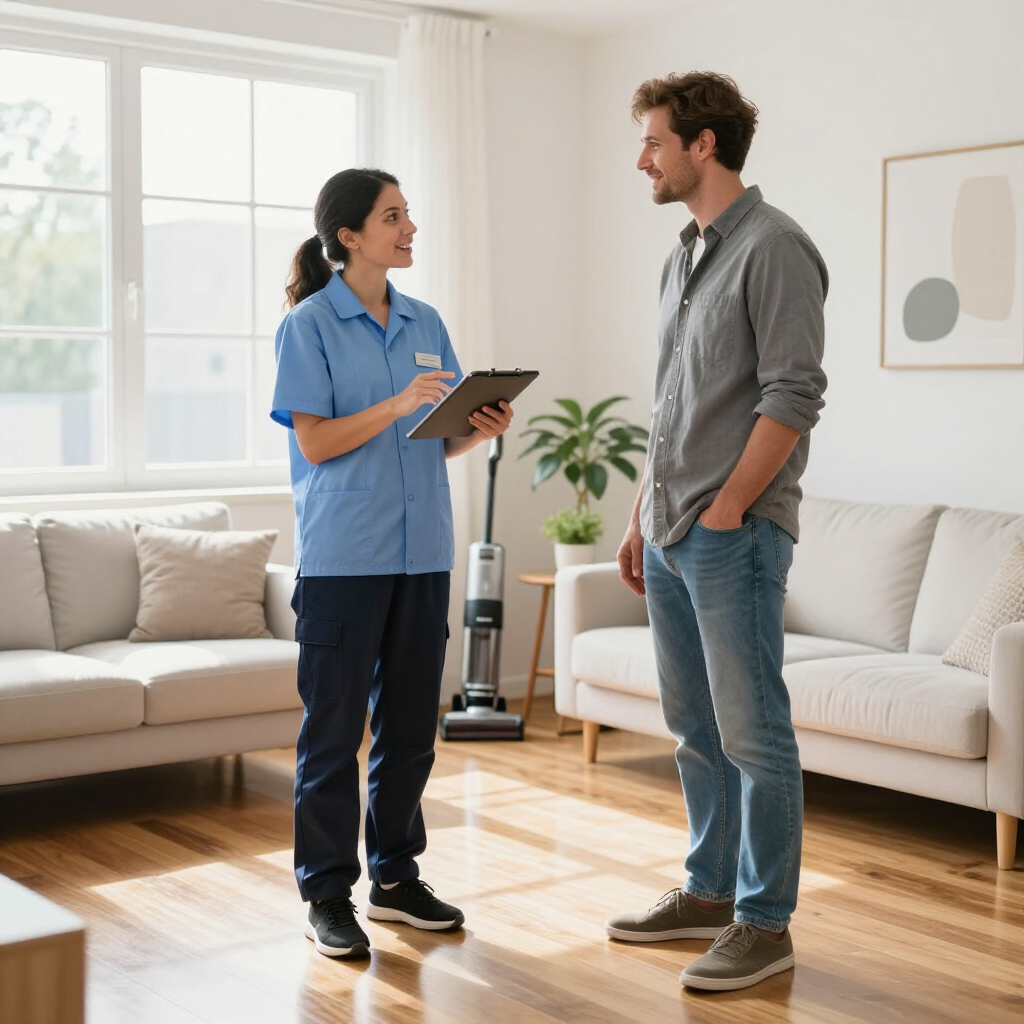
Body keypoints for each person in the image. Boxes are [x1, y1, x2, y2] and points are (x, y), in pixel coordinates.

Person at [604, 73, 828, 992]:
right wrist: (639, 513)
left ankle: (764, 922)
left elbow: (793, 396)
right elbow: (671, 402)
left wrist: (730, 506)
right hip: (668, 528)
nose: (643, 158)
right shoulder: (683, 254)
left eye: (654, 141)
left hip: (733, 531)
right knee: (692, 725)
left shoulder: (775, 248)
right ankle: (706, 892)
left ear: (703, 145)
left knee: (754, 732)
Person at [271, 167, 513, 960]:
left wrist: (480, 425)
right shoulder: (309, 325)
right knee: (334, 733)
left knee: (411, 728)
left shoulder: (424, 319)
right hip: (344, 557)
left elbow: (437, 440)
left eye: (408, 215)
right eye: (394, 216)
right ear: (349, 235)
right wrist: (392, 406)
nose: (410, 229)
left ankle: (397, 878)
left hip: (422, 554)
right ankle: (327, 894)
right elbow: (314, 442)